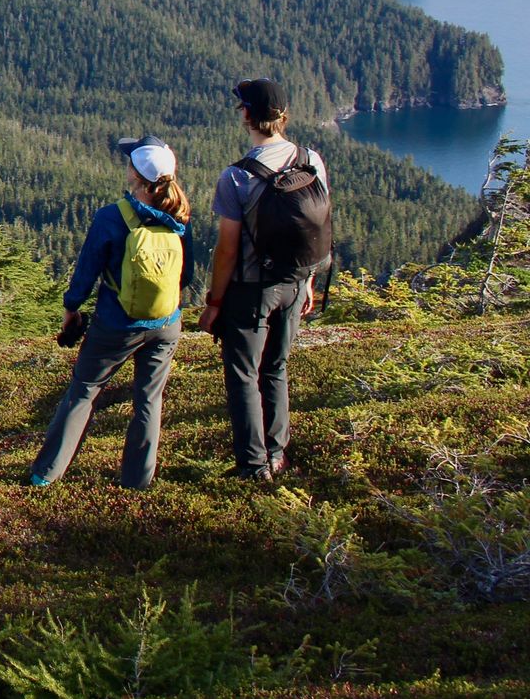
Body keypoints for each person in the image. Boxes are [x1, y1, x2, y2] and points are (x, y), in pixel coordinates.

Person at [28, 136, 193, 490]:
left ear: (135, 174)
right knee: (149, 399)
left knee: (85, 390)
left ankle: (46, 474)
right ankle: (138, 481)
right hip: (166, 324)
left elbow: (85, 273)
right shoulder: (180, 216)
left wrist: (71, 310)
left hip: (117, 324)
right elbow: (187, 275)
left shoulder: (112, 217)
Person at [196, 77, 333, 481]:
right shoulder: (311, 160)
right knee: (275, 367)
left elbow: (228, 250)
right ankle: (276, 454)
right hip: (294, 284)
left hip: (252, 290)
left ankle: (253, 466)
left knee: (243, 374)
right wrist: (307, 280)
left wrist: (214, 303)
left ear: (248, 115)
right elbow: (315, 228)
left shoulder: (237, 177)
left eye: (242, 107)